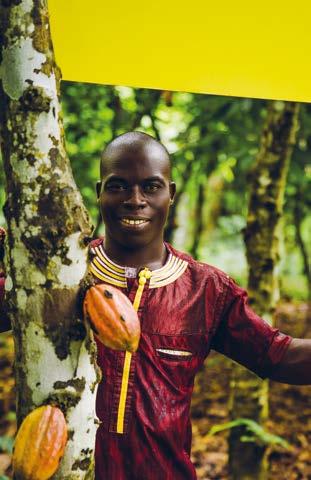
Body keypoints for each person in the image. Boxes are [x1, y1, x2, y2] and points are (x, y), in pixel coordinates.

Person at [1, 131, 310, 479]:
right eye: (118, 186)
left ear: (171, 194)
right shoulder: (61, 272)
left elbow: (276, 356)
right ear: (99, 190)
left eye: (151, 186)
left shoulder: (205, 290)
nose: (135, 200)